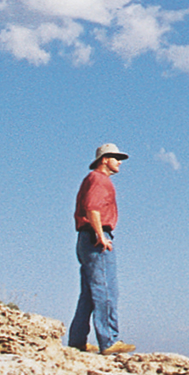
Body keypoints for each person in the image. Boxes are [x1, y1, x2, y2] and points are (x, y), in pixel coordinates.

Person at [67, 141, 127, 352]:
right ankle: (109, 340)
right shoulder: (100, 180)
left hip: (85, 237)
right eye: (116, 158)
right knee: (107, 289)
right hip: (95, 235)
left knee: (89, 293)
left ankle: (77, 341)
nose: (119, 162)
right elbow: (93, 208)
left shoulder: (90, 179)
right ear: (105, 160)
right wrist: (101, 236)